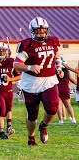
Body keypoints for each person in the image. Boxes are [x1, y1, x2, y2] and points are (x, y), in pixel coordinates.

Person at [13, 17, 63, 145]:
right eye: (37, 30)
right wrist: (30, 67)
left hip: (49, 80)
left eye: (43, 30)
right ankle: (31, 137)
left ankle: (44, 125)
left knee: (52, 108)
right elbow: (16, 65)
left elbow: (56, 56)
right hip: (31, 82)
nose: (41, 33)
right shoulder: (27, 45)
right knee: (32, 114)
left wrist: (58, 68)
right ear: (32, 31)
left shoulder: (53, 41)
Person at [57, 56, 77, 124]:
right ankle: (73, 119)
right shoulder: (67, 71)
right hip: (65, 88)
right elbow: (72, 80)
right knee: (68, 105)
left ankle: (60, 120)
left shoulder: (55, 70)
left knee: (59, 106)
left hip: (57, 88)